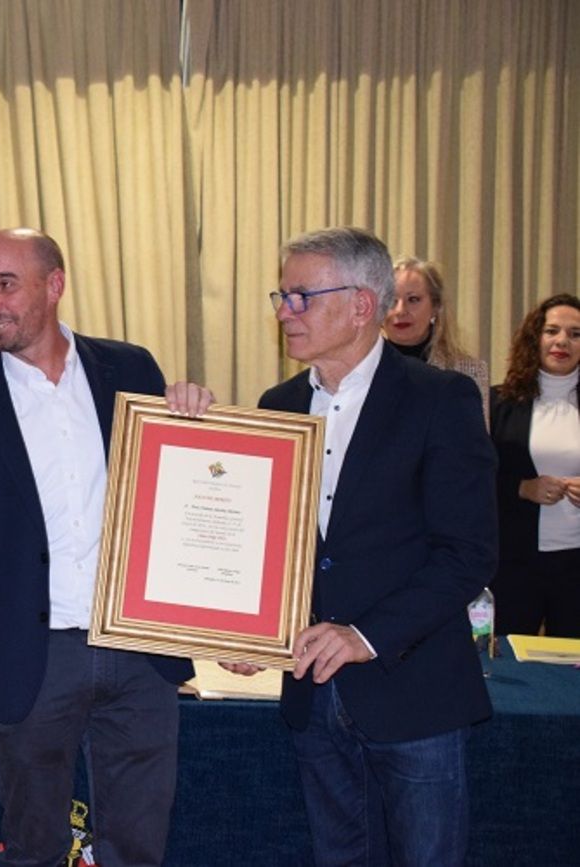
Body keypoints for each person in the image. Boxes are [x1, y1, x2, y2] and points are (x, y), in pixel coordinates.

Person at [0, 228, 206, 867]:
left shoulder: (132, 369)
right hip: (31, 658)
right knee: (33, 848)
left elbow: (183, 489)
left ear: (55, 285)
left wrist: (197, 415)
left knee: (138, 848)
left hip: (138, 652)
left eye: (6, 284)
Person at [233, 227, 495, 865]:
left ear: (359, 304)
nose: (283, 312)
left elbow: (468, 553)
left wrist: (363, 635)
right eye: (282, 295)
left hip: (415, 693)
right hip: (312, 696)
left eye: (301, 296)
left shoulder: (440, 398)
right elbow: (278, 551)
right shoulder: (278, 406)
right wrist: (247, 630)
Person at [489, 294, 580, 637]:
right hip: (515, 564)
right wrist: (522, 488)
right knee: (510, 669)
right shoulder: (498, 403)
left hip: (575, 565)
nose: (562, 342)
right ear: (535, 339)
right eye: (552, 331)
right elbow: (476, 479)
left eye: (575, 334)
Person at [385, 257, 490, 418]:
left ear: (436, 307)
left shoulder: (469, 371)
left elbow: (475, 441)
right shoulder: (358, 368)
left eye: (413, 300)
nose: (400, 310)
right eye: (391, 301)